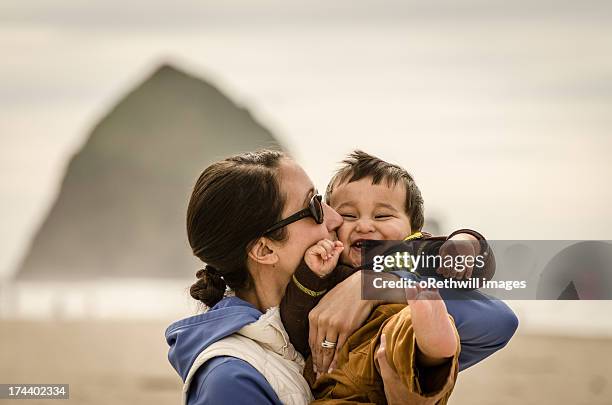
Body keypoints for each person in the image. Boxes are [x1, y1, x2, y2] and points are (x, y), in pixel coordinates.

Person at [279, 150, 512, 403]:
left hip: (402, 364)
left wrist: (466, 242)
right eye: (348, 215)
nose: (365, 225)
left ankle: (429, 349)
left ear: (413, 229)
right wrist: (311, 276)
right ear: (333, 222)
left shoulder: (414, 254)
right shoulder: (330, 267)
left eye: (382, 216)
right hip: (338, 384)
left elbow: (471, 272)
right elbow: (295, 324)